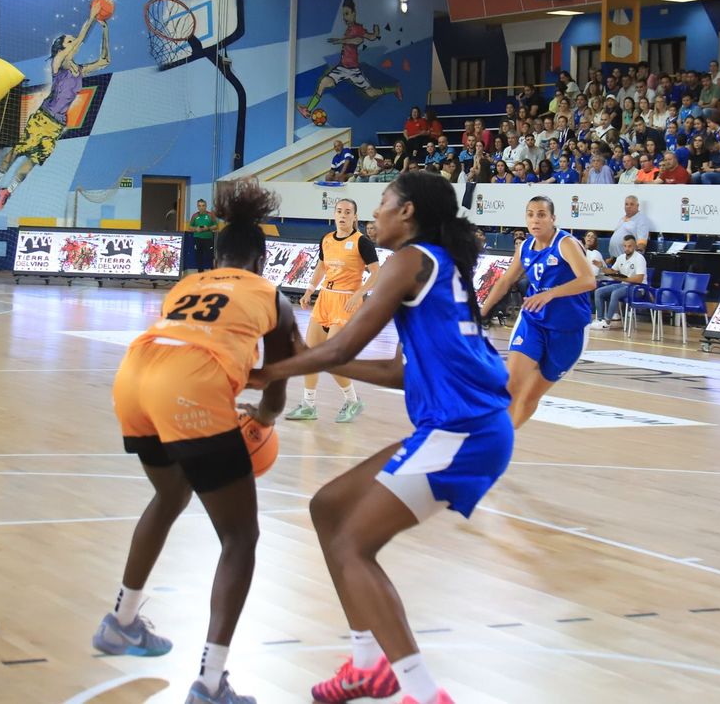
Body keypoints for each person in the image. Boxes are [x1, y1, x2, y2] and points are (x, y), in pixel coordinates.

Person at [249, 172, 513, 704]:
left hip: (463, 429)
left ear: (407, 212)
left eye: (384, 202)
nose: (376, 212)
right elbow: (397, 371)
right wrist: (309, 357)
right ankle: (367, 665)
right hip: (463, 427)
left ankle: (421, 691)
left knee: (352, 545)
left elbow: (342, 347)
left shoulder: (410, 261)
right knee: (328, 508)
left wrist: (265, 373)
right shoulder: (435, 264)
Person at [96, 178, 298, 704]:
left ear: (216, 256)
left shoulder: (186, 286)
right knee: (240, 538)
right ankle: (210, 683)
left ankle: (121, 621)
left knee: (170, 493)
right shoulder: (271, 295)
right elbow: (280, 376)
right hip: (186, 388)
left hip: (133, 379)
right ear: (261, 260)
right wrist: (265, 419)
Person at [477, 197, 596, 427]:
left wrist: (550, 294)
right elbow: (505, 281)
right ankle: (495, 441)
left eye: (541, 214)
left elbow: (589, 280)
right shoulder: (525, 247)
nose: (535, 220)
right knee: (511, 386)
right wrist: (482, 310)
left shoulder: (565, 244)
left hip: (568, 329)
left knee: (530, 396)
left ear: (553, 218)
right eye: (530, 214)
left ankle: (508, 434)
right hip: (533, 321)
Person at [0, 1, 110, 207]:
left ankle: (7, 191)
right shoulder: (58, 63)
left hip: (57, 125)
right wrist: (91, 18)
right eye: (69, 41)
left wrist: (104, 29)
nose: (74, 42)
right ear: (62, 47)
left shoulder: (79, 70)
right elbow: (79, 43)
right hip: (43, 118)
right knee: (17, 151)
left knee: (33, 161)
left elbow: (105, 60)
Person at [290, 199, 380, 424]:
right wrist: (309, 291)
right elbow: (321, 266)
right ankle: (308, 405)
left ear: (354, 217)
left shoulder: (362, 242)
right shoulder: (327, 239)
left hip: (347, 302)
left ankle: (352, 401)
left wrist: (359, 294)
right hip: (325, 299)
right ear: (334, 214)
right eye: (339, 211)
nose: (342, 215)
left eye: (347, 212)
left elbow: (377, 274)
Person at [590, 235, 646, 329]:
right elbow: (612, 271)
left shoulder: (639, 258)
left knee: (615, 293)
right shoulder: (621, 257)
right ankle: (600, 320)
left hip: (638, 288)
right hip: (624, 285)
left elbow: (639, 279)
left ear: (635, 246)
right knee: (599, 291)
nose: (627, 248)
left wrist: (622, 279)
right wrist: (602, 267)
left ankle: (607, 322)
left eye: (630, 246)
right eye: (625, 246)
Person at [189, 199, 219, 271]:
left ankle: (213, 271)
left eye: (203, 205)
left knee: (210, 256)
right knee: (198, 256)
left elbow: (216, 226)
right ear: (197, 207)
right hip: (197, 238)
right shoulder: (194, 216)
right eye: (199, 206)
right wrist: (196, 229)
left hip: (208, 238)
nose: (201, 207)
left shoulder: (210, 215)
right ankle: (200, 272)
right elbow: (190, 227)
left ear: (206, 206)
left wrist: (208, 228)